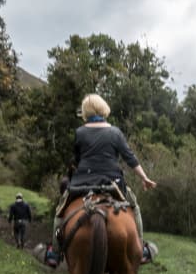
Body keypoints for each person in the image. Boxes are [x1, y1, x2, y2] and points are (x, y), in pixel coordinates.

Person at [49, 93, 157, 263]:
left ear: (85, 112)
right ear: (104, 109)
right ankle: (141, 249)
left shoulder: (80, 132)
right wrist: (144, 178)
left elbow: (77, 160)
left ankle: (54, 253)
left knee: (60, 212)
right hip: (112, 182)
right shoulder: (115, 133)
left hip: (82, 182)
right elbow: (130, 158)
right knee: (134, 207)